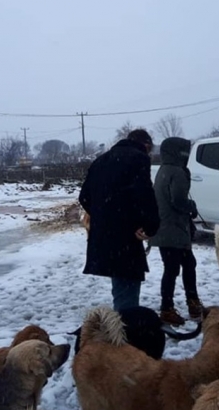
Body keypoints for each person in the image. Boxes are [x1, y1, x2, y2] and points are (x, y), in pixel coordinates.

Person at [79, 129, 160, 311]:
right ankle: (124, 331)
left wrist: (104, 216)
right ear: (146, 145)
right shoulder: (138, 158)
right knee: (127, 287)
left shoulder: (100, 160)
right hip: (126, 236)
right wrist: (149, 226)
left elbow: (84, 197)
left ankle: (122, 324)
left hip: (105, 236)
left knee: (121, 283)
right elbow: (144, 195)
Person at [148, 137, 203, 326]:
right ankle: (170, 308)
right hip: (174, 228)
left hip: (165, 227)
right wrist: (192, 206)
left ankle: (188, 304)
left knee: (182, 266)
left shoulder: (163, 170)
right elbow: (178, 200)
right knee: (177, 268)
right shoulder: (177, 172)